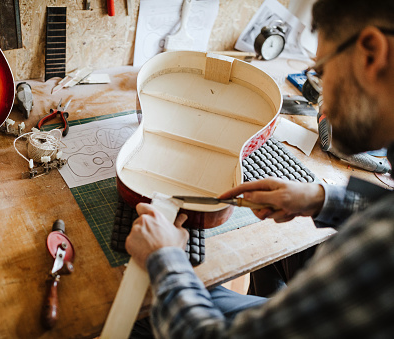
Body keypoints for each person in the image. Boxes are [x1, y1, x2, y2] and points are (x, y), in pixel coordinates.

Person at [126, 0, 394, 337]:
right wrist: (320, 198)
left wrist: (164, 257)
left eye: (322, 73)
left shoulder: (381, 248)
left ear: (372, 53)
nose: (322, 103)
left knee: (145, 310)